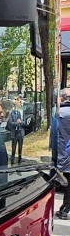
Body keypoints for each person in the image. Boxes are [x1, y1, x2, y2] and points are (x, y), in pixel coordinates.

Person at [52, 88, 70, 219]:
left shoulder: (60, 114)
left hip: (65, 155)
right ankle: (64, 208)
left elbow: (55, 138)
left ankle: (65, 209)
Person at [6, 96, 25, 165]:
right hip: (14, 132)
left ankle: (19, 162)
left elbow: (24, 122)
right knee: (13, 149)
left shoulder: (21, 112)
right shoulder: (12, 112)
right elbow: (10, 123)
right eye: (19, 101)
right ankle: (12, 162)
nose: (20, 103)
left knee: (20, 148)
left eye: (20, 102)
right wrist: (16, 123)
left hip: (20, 132)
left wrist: (20, 122)